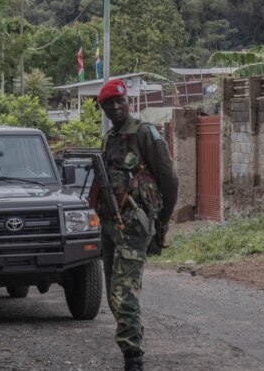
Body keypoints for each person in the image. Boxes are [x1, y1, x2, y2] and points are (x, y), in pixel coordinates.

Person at [94, 79, 178, 371]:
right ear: (102, 107)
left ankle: (134, 358)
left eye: (120, 102)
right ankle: (133, 343)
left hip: (134, 226)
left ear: (127, 102)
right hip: (109, 225)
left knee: (124, 294)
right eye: (110, 104)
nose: (116, 107)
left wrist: (163, 221)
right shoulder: (109, 138)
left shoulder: (144, 133)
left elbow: (169, 179)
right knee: (113, 296)